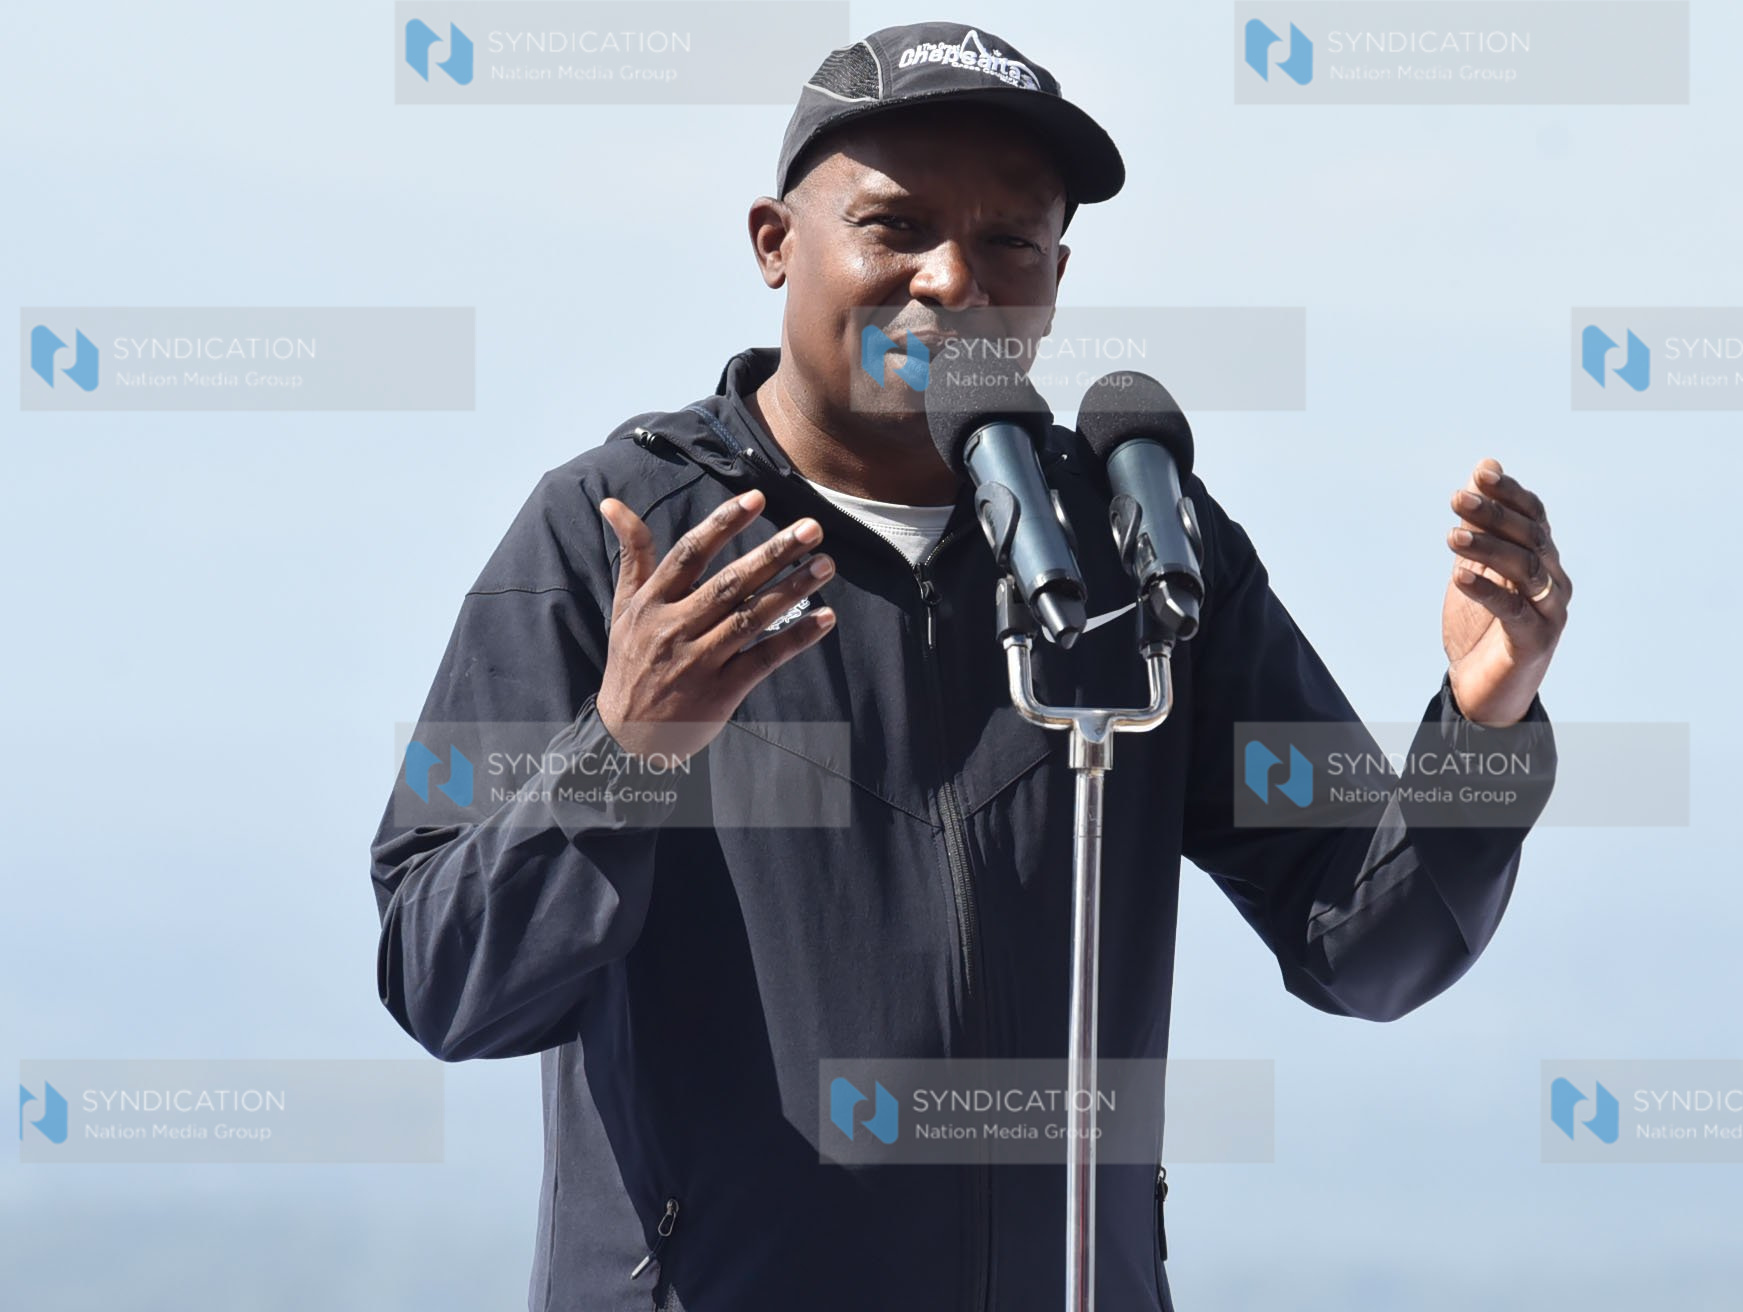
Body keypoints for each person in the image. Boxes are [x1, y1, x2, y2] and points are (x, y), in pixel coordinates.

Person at [370, 20, 1569, 1311]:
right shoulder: (624, 537)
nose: (955, 282)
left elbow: (1370, 947)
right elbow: (447, 986)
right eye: (896, 227)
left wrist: (1485, 725)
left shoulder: (1143, 541)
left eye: (1010, 242)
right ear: (775, 241)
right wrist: (623, 751)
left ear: (1059, 270)